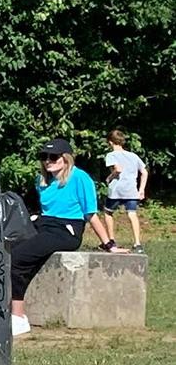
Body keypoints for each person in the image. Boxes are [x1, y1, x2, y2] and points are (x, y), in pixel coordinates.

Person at [11, 138, 112, 336]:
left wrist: (109, 244)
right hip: (43, 224)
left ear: (66, 159)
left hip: (66, 229)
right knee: (8, 249)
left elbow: (90, 214)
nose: (48, 161)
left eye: (53, 157)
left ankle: (18, 317)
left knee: (18, 257)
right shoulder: (42, 181)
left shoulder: (80, 178)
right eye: (44, 157)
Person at [102, 130, 147, 254]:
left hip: (116, 189)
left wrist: (110, 177)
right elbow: (144, 172)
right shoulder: (133, 155)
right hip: (131, 189)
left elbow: (118, 169)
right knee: (132, 214)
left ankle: (111, 241)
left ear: (110, 142)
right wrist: (141, 189)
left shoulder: (111, 155)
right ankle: (137, 244)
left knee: (108, 212)